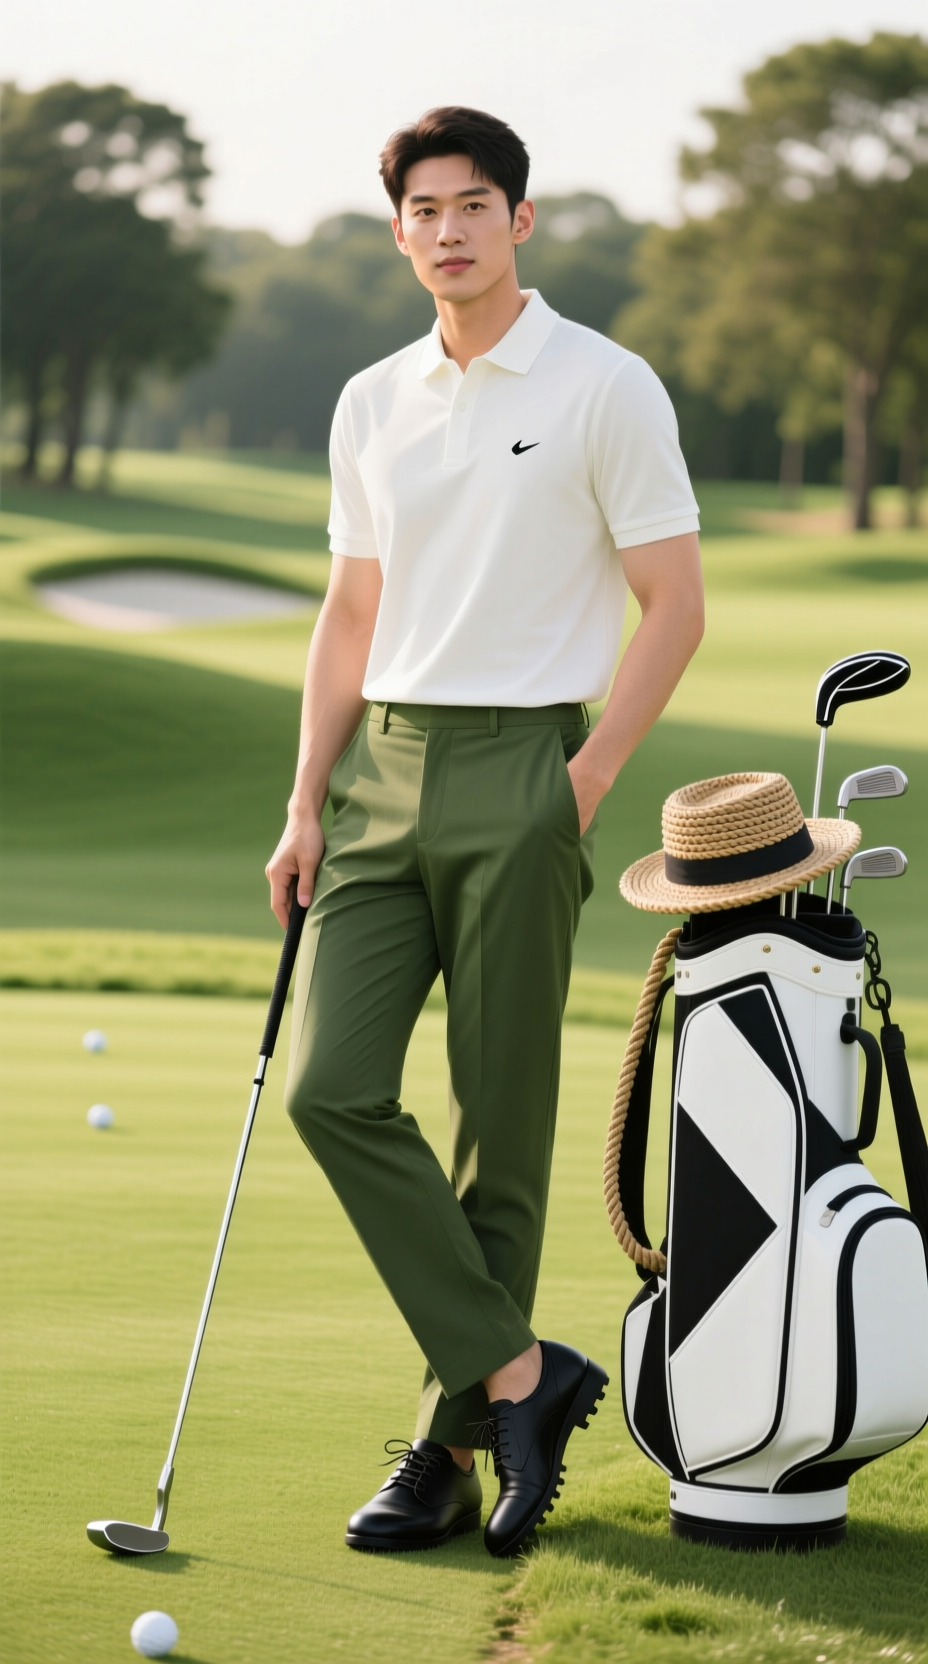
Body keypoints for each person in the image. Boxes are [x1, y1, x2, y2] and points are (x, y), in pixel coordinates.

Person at [266, 105, 704, 1559]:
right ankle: (523, 1378)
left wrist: (577, 790)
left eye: (474, 205)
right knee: (330, 1089)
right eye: (423, 210)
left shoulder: (604, 383)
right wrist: (305, 797)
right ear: (398, 231)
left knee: (496, 1140)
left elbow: (676, 606)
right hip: (380, 774)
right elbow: (349, 615)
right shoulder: (371, 397)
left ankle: (445, 1453)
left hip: (525, 767)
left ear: (520, 220)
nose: (447, 230)